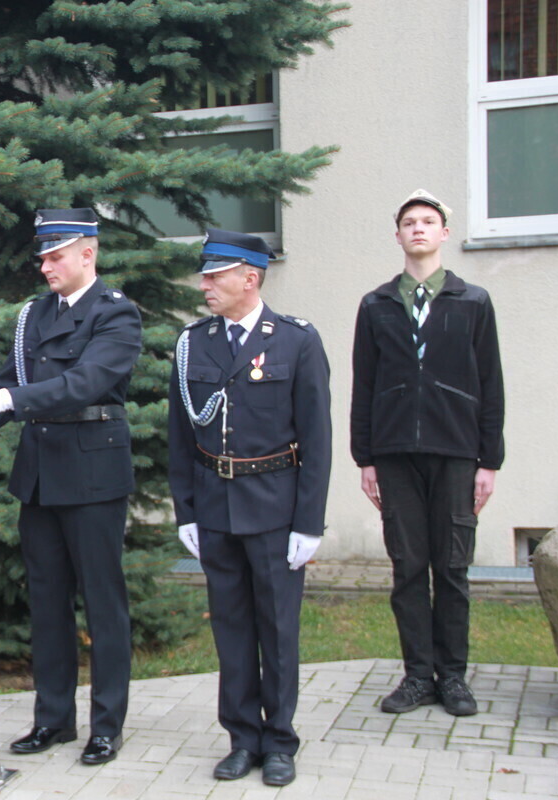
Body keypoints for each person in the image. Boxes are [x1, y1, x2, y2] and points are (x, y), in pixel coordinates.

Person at [0, 208, 141, 766]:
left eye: (56, 255)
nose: (45, 266)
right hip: (40, 475)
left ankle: (106, 725)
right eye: (42, 256)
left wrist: (9, 401)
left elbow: (83, 382)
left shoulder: (117, 315)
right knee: (47, 605)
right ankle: (53, 719)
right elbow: (14, 379)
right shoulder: (33, 315)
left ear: (88, 253)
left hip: (91, 473)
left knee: (103, 606)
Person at [168, 229, 331, 787]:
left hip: (276, 508)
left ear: (250, 278)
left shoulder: (295, 341)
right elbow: (180, 438)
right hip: (216, 506)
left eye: (215, 275)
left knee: (278, 630)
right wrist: (185, 511)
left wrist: (308, 523)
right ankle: (242, 737)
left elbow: (318, 438)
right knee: (232, 629)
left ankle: (280, 741)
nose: (204, 284)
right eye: (205, 274)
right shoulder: (194, 342)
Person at [350, 189, 504, 718]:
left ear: (443, 233)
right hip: (395, 454)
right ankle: (418, 675)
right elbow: (363, 384)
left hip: (457, 452)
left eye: (428, 221)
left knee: (453, 568)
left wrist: (489, 461)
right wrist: (365, 458)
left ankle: (453, 677)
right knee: (409, 568)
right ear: (398, 236)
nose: (418, 228)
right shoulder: (376, 305)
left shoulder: (473, 302)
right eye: (409, 222)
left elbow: (492, 384)